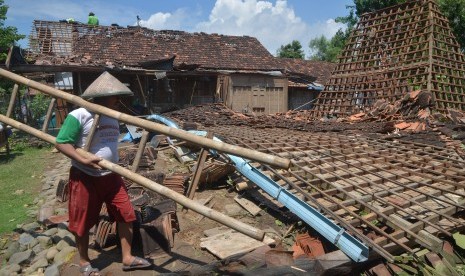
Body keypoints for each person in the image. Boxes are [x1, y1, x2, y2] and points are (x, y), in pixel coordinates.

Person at [55, 72, 151, 275]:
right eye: (115, 96)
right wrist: (83, 158)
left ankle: (127, 258)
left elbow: (108, 143)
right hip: (84, 176)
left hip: (111, 176)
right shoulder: (79, 115)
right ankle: (83, 261)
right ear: (103, 96)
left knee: (126, 213)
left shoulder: (114, 117)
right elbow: (62, 142)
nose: (118, 101)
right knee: (82, 220)